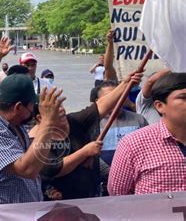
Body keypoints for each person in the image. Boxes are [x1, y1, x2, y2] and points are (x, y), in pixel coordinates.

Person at [39, 71, 144, 200]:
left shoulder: (75, 120)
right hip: (59, 201)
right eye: (52, 109)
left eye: (60, 105)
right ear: (40, 118)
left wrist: (125, 83)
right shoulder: (37, 137)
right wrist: (84, 152)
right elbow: (54, 168)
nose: (60, 110)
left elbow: (100, 106)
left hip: (91, 195)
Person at [0, 71, 65, 204]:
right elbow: (27, 170)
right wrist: (47, 121)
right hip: (1, 216)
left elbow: (35, 163)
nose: (34, 109)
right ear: (18, 107)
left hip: (25, 212)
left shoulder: (16, 125)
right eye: (33, 105)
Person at [108, 73, 186, 196]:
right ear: (160, 106)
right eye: (184, 98)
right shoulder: (133, 144)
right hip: (153, 215)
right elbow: (118, 194)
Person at [90, 81, 148, 166]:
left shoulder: (139, 120)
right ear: (98, 101)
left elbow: (148, 149)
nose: (114, 100)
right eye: (109, 97)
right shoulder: (91, 123)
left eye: (118, 96)